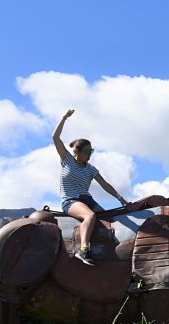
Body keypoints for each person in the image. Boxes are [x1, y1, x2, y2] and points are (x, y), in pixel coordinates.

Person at [53, 109, 128, 266]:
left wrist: (120, 198)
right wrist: (64, 118)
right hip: (71, 201)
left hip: (88, 200)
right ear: (77, 152)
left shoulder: (90, 168)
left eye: (91, 151)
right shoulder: (67, 159)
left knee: (110, 220)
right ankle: (84, 249)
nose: (90, 154)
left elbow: (105, 184)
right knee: (90, 217)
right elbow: (55, 137)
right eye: (87, 151)